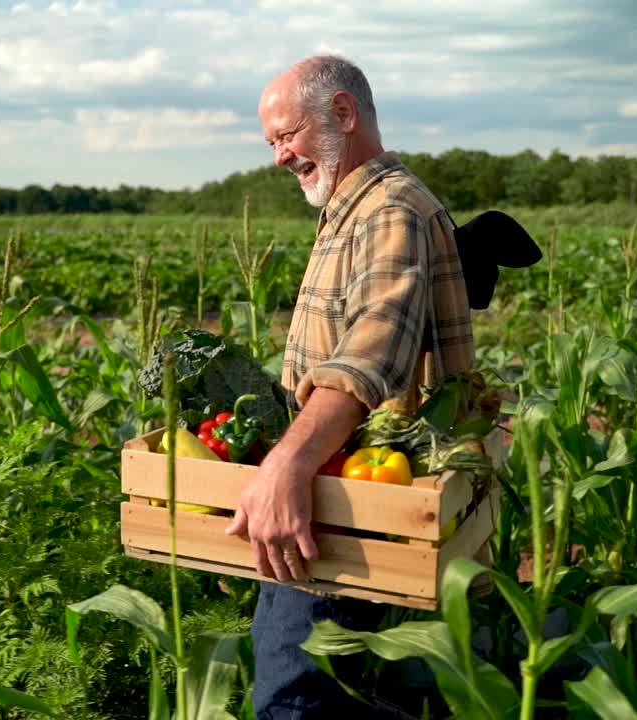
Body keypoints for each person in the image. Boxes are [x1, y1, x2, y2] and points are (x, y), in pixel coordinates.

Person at [223, 55, 476, 718]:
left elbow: (368, 355)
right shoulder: (351, 207)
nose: (280, 157)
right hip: (344, 493)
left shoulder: (389, 210)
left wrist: (288, 461)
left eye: (287, 136)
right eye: (272, 143)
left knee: (296, 699)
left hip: (355, 514)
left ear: (342, 113)